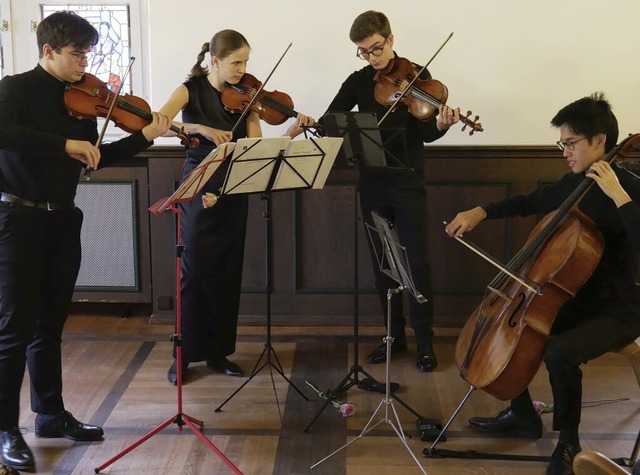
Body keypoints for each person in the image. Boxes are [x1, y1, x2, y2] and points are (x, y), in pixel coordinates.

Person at [0, 11, 171, 471]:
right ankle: (4, 429)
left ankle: (50, 415)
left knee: (50, 325)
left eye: (88, 54)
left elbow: (94, 158)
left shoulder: (80, 101)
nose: (84, 63)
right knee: (13, 329)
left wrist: (145, 137)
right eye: (77, 54)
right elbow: (6, 133)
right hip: (16, 219)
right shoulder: (13, 88)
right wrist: (63, 145)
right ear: (49, 50)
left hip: (62, 220)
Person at [445, 92, 640, 475]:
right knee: (525, 333)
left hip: (622, 308)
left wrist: (618, 196)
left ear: (600, 140)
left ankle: (568, 444)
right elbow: (530, 200)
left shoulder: (630, 187)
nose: (564, 151)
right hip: (579, 300)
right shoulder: (576, 183)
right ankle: (522, 415)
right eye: (562, 143)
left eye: (571, 143)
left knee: (559, 351)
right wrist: (480, 211)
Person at [158, 30, 313, 385]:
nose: (242, 70)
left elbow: (257, 146)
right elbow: (159, 124)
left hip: (234, 187)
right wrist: (197, 127)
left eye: (245, 62)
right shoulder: (190, 90)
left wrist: (290, 132)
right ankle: (182, 356)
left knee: (226, 272)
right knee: (193, 273)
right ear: (215, 60)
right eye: (235, 63)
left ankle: (217, 352)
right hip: (199, 186)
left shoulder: (247, 97)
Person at [318, 10, 460, 372]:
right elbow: (331, 121)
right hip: (372, 183)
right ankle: (393, 337)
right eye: (364, 52)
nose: (373, 58)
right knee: (383, 266)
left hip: (408, 181)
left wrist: (441, 125)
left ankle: (424, 341)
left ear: (391, 39)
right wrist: (319, 125)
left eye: (376, 48)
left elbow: (426, 133)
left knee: (417, 263)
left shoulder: (419, 76)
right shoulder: (358, 81)